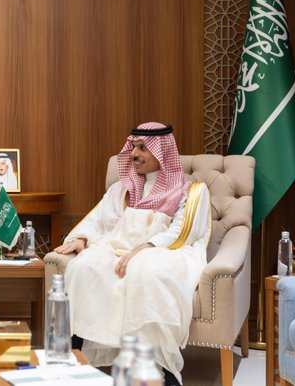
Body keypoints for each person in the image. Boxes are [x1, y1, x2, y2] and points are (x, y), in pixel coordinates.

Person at [54, 122, 211, 386]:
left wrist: (143, 249)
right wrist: (81, 238)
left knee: (145, 271)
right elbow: (99, 220)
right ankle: (74, 349)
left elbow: (182, 232)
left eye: (142, 148)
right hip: (119, 247)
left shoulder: (192, 191)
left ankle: (164, 368)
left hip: (166, 252)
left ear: (162, 152)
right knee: (82, 266)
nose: (134, 154)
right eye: (133, 147)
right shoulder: (123, 188)